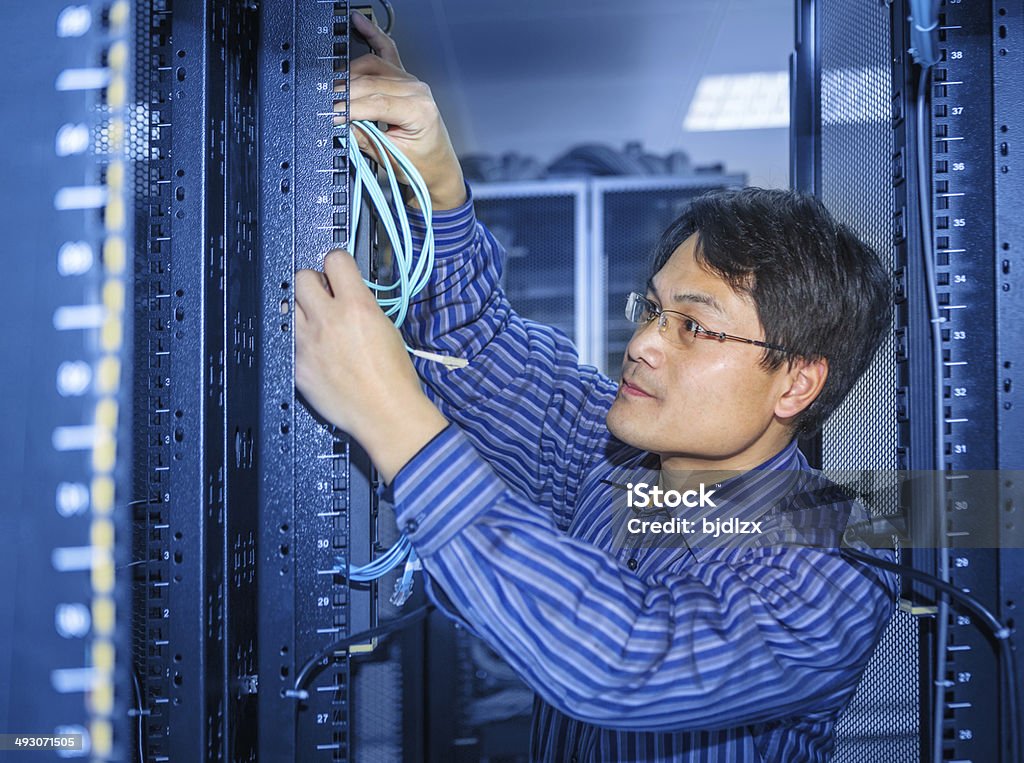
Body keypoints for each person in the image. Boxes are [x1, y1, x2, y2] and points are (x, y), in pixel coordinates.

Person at [294, 12, 897, 762]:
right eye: (651, 308)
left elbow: (625, 662)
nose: (641, 342)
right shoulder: (616, 462)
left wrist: (389, 415)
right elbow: (476, 347)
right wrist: (436, 182)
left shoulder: (838, 558)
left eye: (694, 327)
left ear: (796, 382)